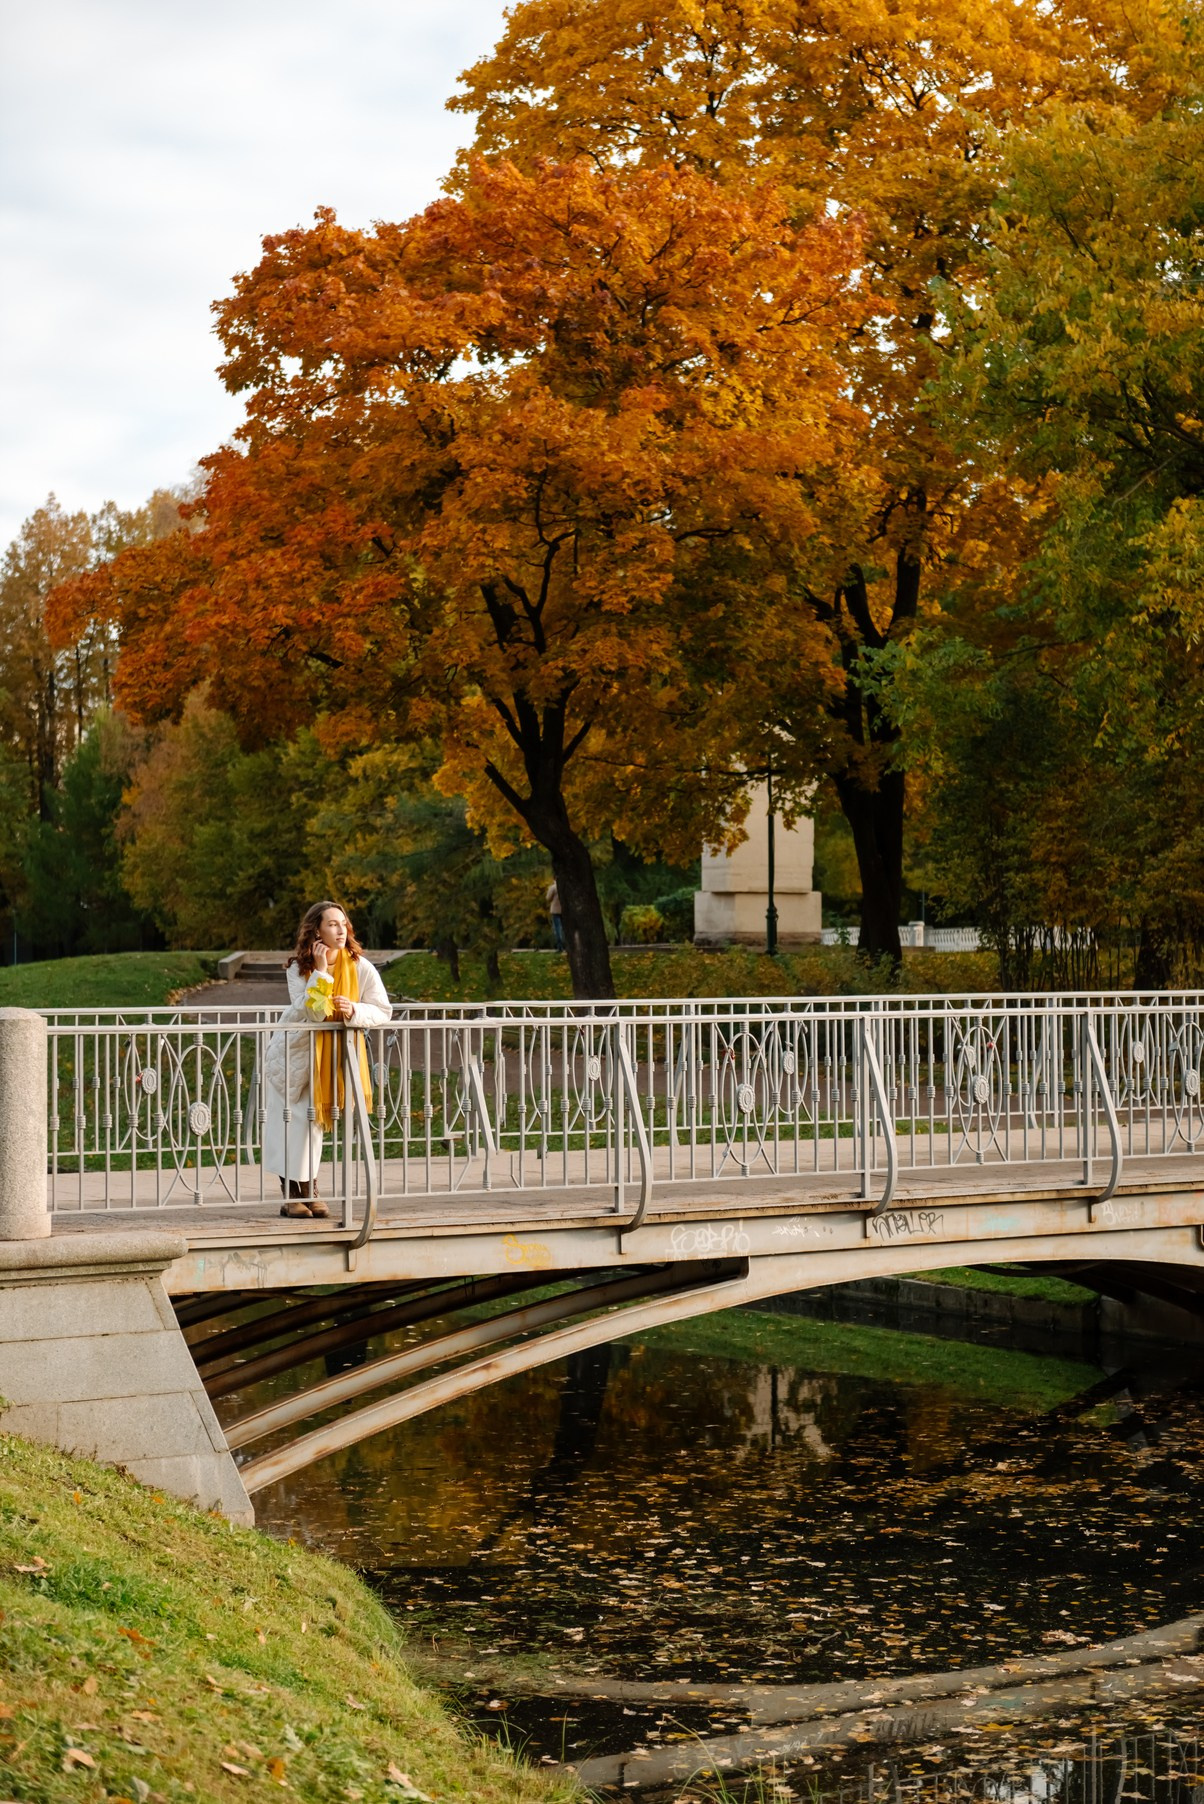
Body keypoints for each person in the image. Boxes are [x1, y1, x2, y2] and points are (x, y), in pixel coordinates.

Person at [262, 901, 392, 1218]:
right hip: (294, 1053)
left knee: (312, 1125)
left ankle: (310, 1190)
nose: (340, 929)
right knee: (288, 1122)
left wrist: (355, 1010)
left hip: (329, 1058)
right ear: (316, 931)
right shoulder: (299, 968)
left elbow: (382, 1009)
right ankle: (291, 1194)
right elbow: (315, 1013)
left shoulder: (360, 966)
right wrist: (320, 973)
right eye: (332, 924)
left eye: (343, 923)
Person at [546, 879, 565, 952]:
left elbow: (548, 898)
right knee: (563, 929)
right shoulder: (565, 887)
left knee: (557, 929)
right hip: (563, 910)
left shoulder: (553, 887)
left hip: (555, 910)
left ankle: (560, 947)